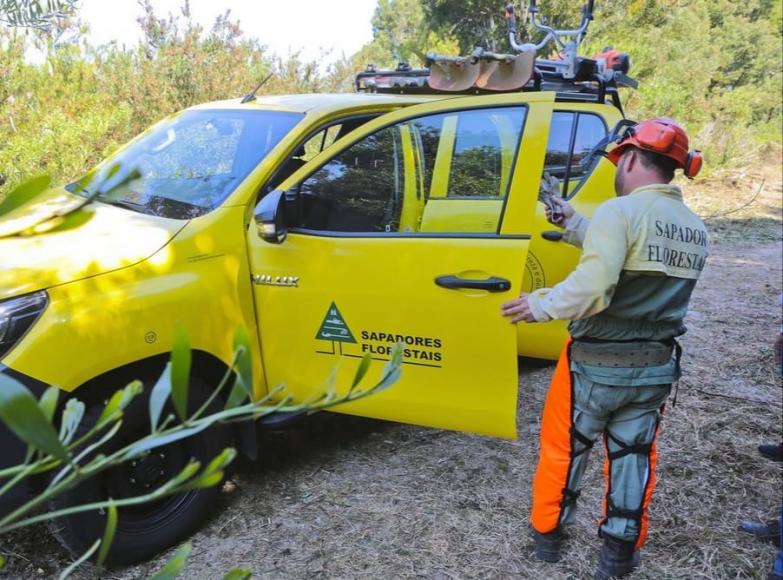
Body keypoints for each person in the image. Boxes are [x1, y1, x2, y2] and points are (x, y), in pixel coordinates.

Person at [502, 117, 708, 579]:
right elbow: (633, 250)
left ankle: (548, 538)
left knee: (564, 450)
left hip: (593, 370)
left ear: (631, 158)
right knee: (633, 456)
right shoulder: (695, 228)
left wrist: (539, 303)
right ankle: (618, 552)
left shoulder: (620, 211)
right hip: (654, 369)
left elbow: (594, 286)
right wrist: (571, 219)